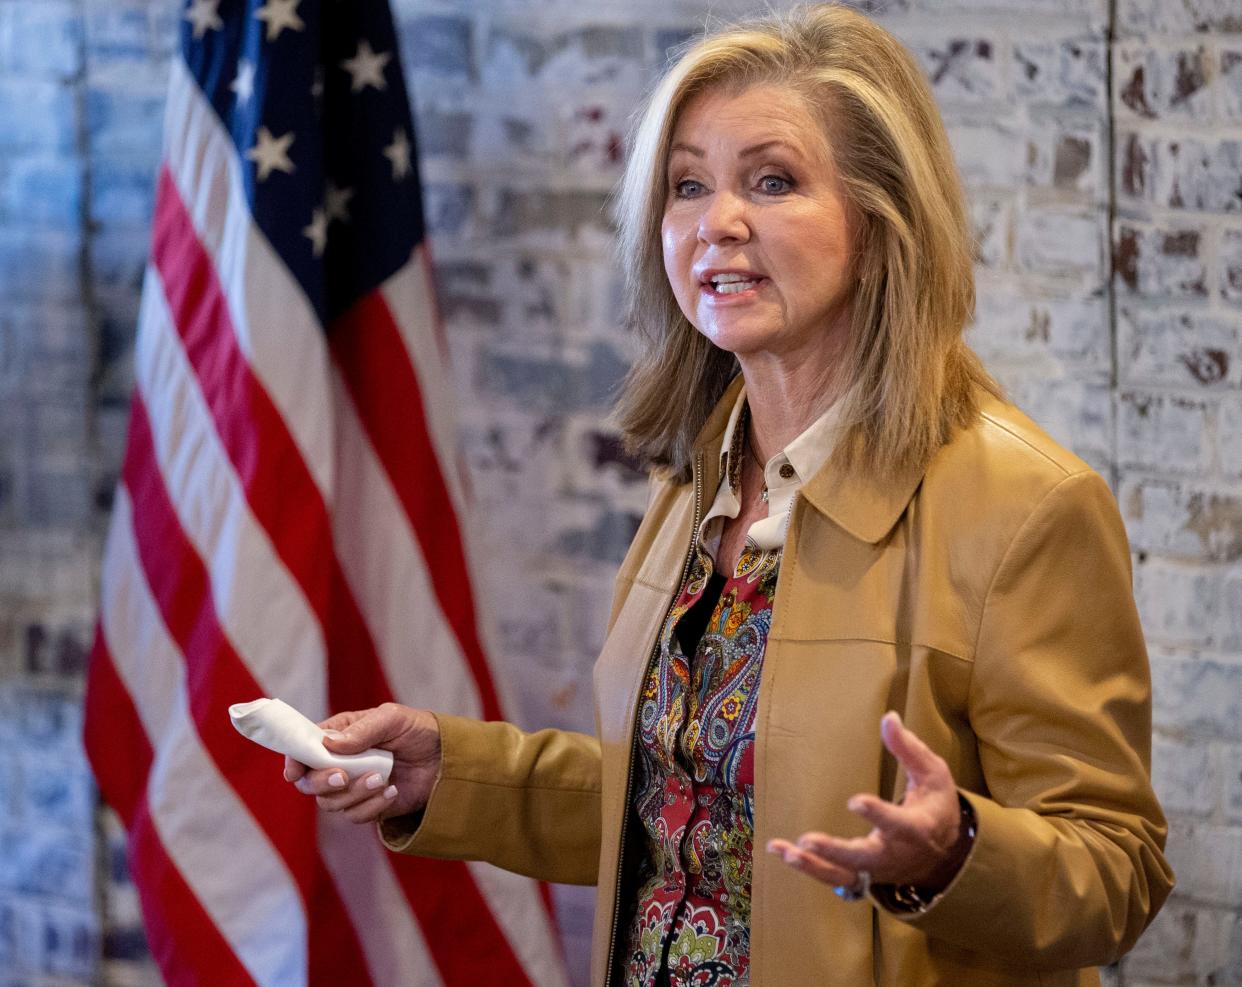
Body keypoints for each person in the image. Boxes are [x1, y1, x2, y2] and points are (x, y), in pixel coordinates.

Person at [284, 5, 1173, 984]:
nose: (718, 221)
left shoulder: (1028, 508)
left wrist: (959, 851)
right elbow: (679, 804)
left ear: (883, 221)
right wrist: (448, 775)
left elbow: (1118, 871)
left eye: (773, 180)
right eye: (687, 186)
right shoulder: (701, 476)